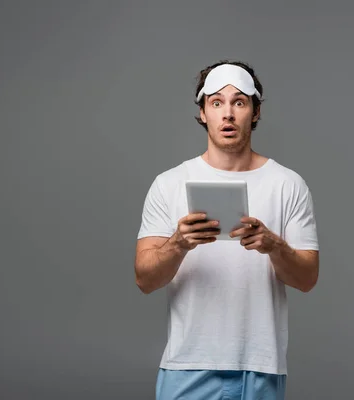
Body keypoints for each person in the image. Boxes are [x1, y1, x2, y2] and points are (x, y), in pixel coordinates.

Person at [134, 60, 320, 400]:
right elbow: (145, 279)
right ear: (203, 112)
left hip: (260, 365)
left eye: (239, 101)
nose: (228, 113)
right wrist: (178, 244)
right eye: (217, 102)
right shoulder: (169, 184)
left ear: (256, 111)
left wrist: (274, 246)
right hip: (188, 364)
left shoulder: (288, 185)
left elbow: (307, 279)